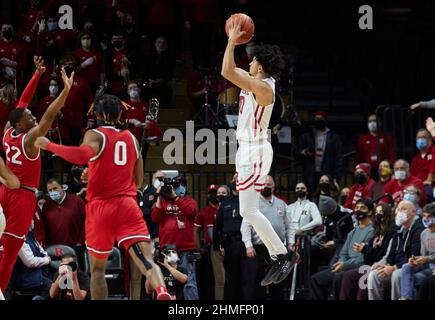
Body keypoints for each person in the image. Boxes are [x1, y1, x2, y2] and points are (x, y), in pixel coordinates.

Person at [35, 94, 171, 300]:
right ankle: (162, 291)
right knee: (147, 260)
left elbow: (82, 155)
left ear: (97, 114)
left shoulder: (95, 134)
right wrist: (101, 173)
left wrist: (49, 145)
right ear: (120, 114)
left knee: (98, 271)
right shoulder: (132, 139)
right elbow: (139, 179)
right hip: (127, 205)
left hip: (101, 208)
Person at [221, 17, 296, 286]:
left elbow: (229, 72)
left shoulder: (263, 87)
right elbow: (227, 71)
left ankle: (282, 254)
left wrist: (232, 40)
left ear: (260, 67)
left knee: (249, 211)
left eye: (252, 61)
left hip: (256, 150)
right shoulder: (255, 80)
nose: (249, 63)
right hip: (247, 149)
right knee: (248, 211)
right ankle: (280, 254)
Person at [0, 59, 73, 293]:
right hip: (22, 196)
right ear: (21, 124)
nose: (33, 117)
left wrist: (36, 75)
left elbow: (21, 103)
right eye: (29, 117)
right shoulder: (29, 139)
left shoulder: (8, 131)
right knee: (11, 253)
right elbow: (49, 117)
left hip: (5, 190)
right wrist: (66, 91)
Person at [310, 199, 375, 300]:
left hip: (358, 266)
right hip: (344, 265)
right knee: (315, 279)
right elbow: (343, 253)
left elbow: (362, 258)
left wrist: (344, 265)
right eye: (357, 208)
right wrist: (340, 262)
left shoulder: (372, 231)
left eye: (363, 208)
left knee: (338, 278)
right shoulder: (352, 232)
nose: (358, 210)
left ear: (370, 212)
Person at [241, 175, 289, 299]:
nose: (265, 187)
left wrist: (291, 242)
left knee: (278, 282)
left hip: (278, 250)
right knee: (257, 281)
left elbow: (289, 225)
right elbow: (245, 226)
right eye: (263, 184)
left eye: (268, 185)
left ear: (273, 187)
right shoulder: (253, 203)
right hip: (259, 249)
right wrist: (248, 245)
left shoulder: (281, 204)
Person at [151, 176, 199, 300]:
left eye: (180, 185)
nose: (178, 188)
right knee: (167, 281)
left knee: (189, 283)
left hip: (185, 249)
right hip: (167, 249)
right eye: (176, 186)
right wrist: (160, 197)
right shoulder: (163, 202)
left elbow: (190, 212)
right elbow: (155, 218)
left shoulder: (189, 201)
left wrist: (175, 197)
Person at [367, 200, 424, 300]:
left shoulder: (418, 229)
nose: (400, 212)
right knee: (374, 274)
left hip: (411, 266)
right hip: (395, 265)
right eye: (398, 209)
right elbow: (391, 253)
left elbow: (414, 256)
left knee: (397, 275)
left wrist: (394, 267)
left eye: (404, 209)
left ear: (413, 212)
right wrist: (387, 264)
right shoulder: (397, 229)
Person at [339, 202, 396, 300]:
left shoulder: (392, 232)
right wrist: (365, 249)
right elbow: (369, 255)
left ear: (387, 214)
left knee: (363, 284)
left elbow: (383, 254)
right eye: (377, 212)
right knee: (347, 276)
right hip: (369, 265)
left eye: (381, 212)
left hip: (379, 266)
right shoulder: (376, 232)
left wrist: (365, 249)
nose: (378, 215)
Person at [297, 111, 345, 192]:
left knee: (325, 195)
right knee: (310, 195)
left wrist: (337, 175)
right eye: (316, 119)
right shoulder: (307, 136)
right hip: (310, 173)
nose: (318, 120)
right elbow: (297, 151)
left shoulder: (333, 137)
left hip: (327, 172)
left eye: (321, 119)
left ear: (325, 120)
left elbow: (339, 156)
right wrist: (303, 152)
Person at [399, 203, 435, 300]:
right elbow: (423, 256)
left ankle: (406, 297)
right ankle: (405, 298)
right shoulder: (424, 233)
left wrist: (426, 259)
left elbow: (427, 258)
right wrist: (416, 261)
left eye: (430, 216)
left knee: (412, 281)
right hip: (428, 267)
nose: (426, 219)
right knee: (406, 266)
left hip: (433, 268)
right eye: (424, 216)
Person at [311, 195, 354, 275]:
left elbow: (350, 236)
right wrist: (324, 244)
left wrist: (335, 242)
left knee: (336, 249)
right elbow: (328, 237)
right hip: (330, 245)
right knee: (313, 250)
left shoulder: (345, 216)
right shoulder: (328, 219)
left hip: (342, 244)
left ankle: (328, 273)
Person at [10, 221, 52, 300]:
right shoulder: (20, 238)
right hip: (25, 278)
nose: (32, 222)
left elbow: (42, 251)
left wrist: (45, 257)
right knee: (50, 286)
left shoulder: (30, 235)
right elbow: (30, 262)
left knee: (54, 280)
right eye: (29, 220)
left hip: (36, 273)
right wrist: (46, 260)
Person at [40, 178, 86, 248]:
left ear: (62, 187)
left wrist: (80, 242)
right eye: (50, 190)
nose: (53, 192)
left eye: (55, 188)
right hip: (54, 249)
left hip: (75, 247)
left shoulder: (77, 201)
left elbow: (87, 222)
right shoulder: (46, 206)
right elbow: (44, 227)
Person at [194, 184, 219, 300]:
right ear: (208, 195)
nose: (213, 195)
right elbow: (196, 230)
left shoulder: (223, 209)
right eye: (211, 193)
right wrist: (199, 247)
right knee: (209, 277)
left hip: (223, 248)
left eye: (216, 192)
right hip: (209, 249)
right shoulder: (203, 212)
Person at [410, 129, 435, 199]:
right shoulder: (415, 159)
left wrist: (429, 179)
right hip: (417, 190)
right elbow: (412, 176)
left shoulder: (433, 152)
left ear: (430, 140)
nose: (420, 139)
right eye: (418, 138)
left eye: (423, 137)